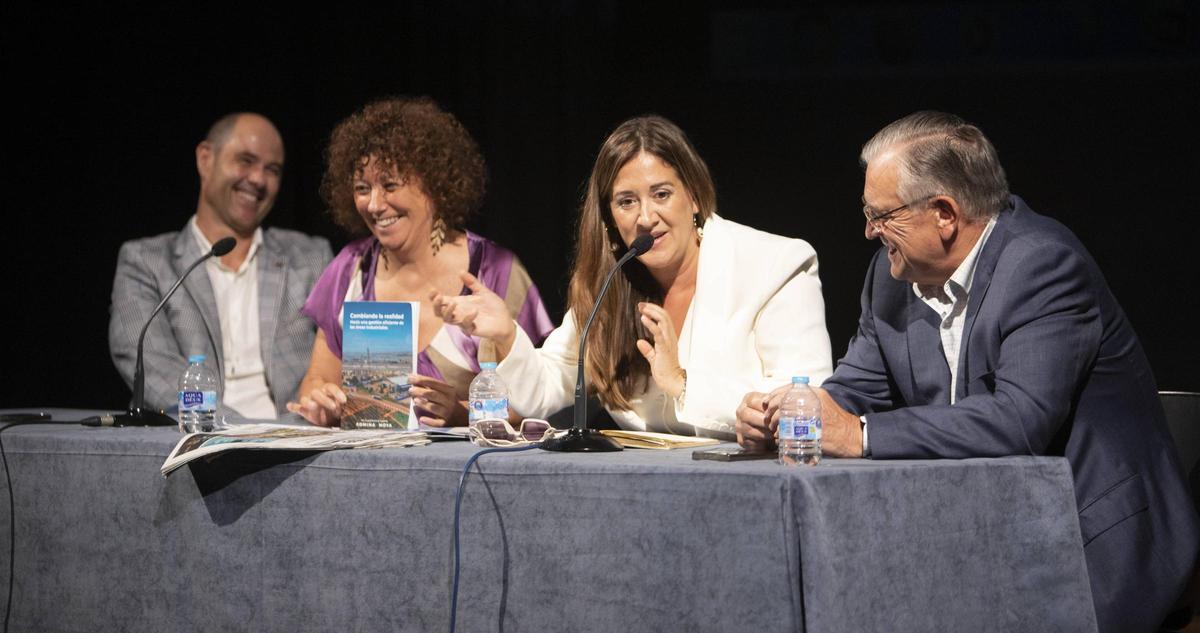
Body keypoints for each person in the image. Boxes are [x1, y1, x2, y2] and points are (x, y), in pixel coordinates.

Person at [736, 111, 1199, 632]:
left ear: (944, 214)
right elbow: (855, 388)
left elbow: (1019, 420)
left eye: (882, 215)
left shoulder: (1042, 265)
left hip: (1089, 543)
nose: (869, 232)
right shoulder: (890, 277)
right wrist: (791, 414)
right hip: (972, 533)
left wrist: (858, 434)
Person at [432, 115, 833, 437]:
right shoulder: (611, 283)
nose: (645, 217)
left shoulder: (776, 265)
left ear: (694, 196)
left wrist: (682, 382)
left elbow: (805, 403)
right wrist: (506, 334)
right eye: (626, 202)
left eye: (662, 194)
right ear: (609, 218)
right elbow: (547, 389)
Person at [289, 96, 553, 427]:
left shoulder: (494, 270)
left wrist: (462, 413)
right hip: (369, 457)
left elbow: (536, 399)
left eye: (390, 185)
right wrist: (321, 401)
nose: (374, 204)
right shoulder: (350, 269)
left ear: (432, 184)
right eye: (362, 188)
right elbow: (315, 382)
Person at [109, 113, 332, 419]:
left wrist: (284, 432)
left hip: (294, 435)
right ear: (205, 159)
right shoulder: (146, 262)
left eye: (272, 170)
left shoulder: (310, 258)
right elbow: (154, 369)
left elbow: (336, 362)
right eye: (245, 161)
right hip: (195, 435)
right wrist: (235, 432)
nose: (258, 179)